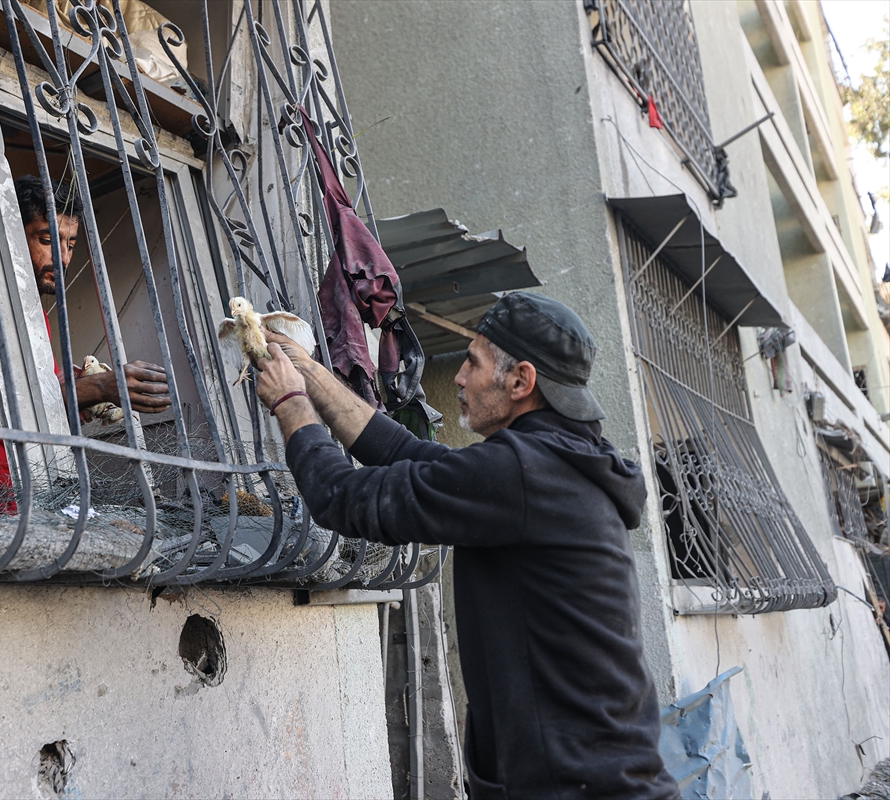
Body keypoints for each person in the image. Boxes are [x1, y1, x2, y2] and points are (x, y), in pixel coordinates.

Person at [256, 291, 678, 799]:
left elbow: (340, 497)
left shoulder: (520, 474)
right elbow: (406, 454)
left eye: (472, 363)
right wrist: (309, 373)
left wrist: (290, 402)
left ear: (521, 380)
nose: (457, 377)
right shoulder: (555, 462)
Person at [0, 176, 171, 510]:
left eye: (70, 244)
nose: (63, 257)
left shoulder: (30, 312)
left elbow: (43, 396)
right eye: (47, 239)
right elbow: (8, 406)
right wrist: (102, 386)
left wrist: (82, 388)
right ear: (11, 236)